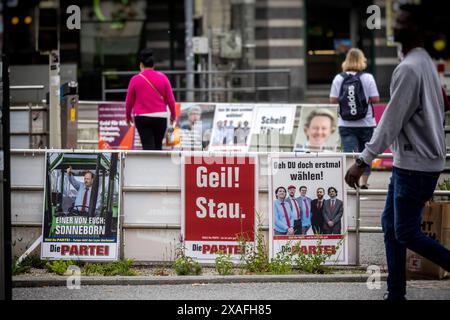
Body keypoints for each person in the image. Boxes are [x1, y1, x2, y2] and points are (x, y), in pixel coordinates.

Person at [345, 4, 450, 301]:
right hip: (419, 161)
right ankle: (395, 293)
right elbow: (441, 102)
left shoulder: (409, 68)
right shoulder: (423, 61)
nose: (394, 24)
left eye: (402, 20)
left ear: (417, 28)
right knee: (390, 226)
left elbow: (390, 122)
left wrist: (362, 161)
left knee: (405, 231)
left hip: (415, 164)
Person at [330, 48, 380, 189]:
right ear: (361, 60)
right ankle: (364, 182)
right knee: (367, 154)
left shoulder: (339, 78)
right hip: (367, 123)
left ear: (346, 60)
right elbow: (375, 99)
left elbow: (333, 99)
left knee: (351, 154)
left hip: (346, 123)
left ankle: (352, 182)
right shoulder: (367, 77)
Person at [125, 48, 176, 150]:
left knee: (147, 146)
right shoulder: (163, 78)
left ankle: (148, 166)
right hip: (160, 117)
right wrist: (173, 116)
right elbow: (171, 100)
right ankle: (158, 165)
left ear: (141, 65)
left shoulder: (135, 79)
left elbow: (129, 101)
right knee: (158, 146)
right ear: (154, 65)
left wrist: (128, 116)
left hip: (142, 117)